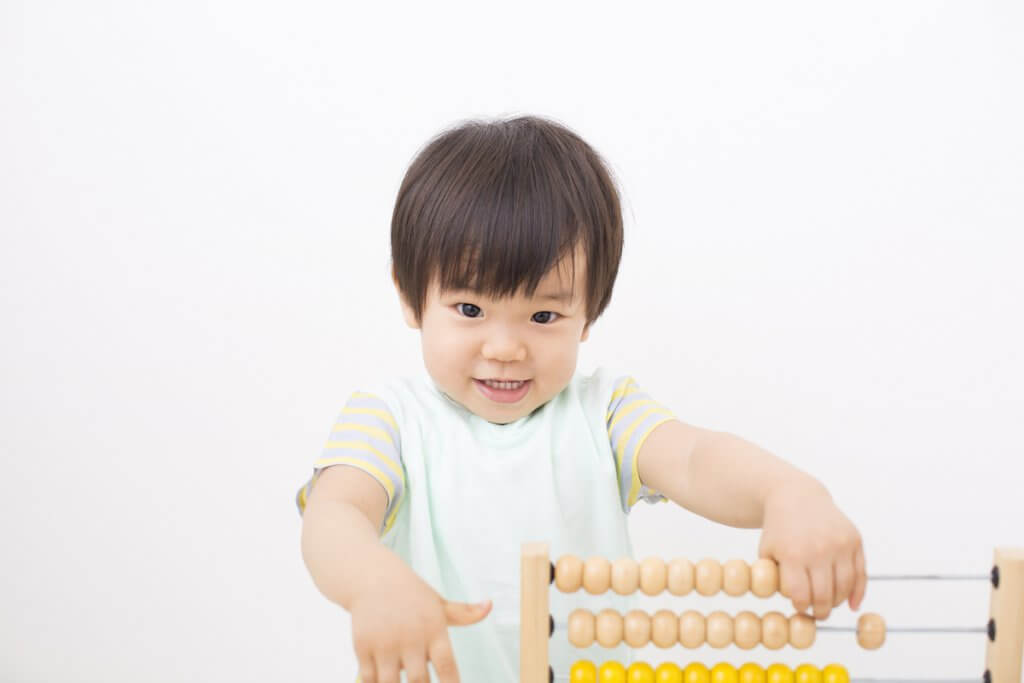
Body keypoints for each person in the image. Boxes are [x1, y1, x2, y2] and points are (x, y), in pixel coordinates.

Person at [297, 115, 866, 683]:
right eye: (469, 310)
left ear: (588, 314)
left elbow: (695, 460)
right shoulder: (388, 420)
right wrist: (373, 582)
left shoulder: (605, 414)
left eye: (544, 315)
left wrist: (788, 492)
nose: (505, 348)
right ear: (409, 294)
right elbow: (336, 512)